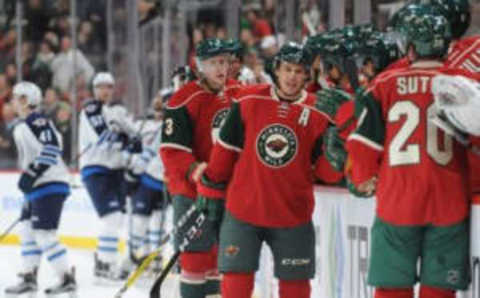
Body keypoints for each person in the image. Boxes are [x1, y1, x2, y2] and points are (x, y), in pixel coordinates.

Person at [194, 42, 342, 298]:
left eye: (299, 71)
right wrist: (209, 188)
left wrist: (339, 149)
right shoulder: (248, 99)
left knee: (295, 289)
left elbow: (327, 174)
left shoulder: (321, 111)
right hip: (244, 211)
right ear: (277, 70)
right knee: (235, 285)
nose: (292, 77)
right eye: (287, 70)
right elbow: (225, 152)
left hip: (292, 215)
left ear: (307, 74)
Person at [346, 13, 475, 298]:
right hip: (449, 201)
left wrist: (364, 179)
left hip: (398, 200)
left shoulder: (382, 84)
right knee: (439, 290)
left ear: (412, 46)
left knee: (392, 289)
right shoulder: (468, 84)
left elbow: (364, 145)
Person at [160, 38, 236, 298]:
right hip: (192, 192)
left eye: (225, 62)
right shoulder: (182, 100)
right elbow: (172, 151)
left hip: (227, 190)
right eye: (214, 62)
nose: (221, 68)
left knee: (221, 255)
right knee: (195, 255)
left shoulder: (240, 93)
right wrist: (197, 171)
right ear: (200, 66)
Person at [5, 81, 76, 297]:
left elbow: (52, 147)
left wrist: (31, 173)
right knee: (26, 229)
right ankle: (29, 276)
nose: (13, 102)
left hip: (49, 184)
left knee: (44, 234)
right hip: (38, 186)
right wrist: (30, 178)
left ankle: (66, 278)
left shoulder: (37, 119)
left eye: (16, 98)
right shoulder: (24, 124)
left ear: (25, 100)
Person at [79, 72, 140, 281]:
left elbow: (135, 137)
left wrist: (133, 139)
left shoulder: (116, 112)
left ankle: (105, 261)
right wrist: (126, 140)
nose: (104, 91)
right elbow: (104, 138)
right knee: (112, 217)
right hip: (96, 168)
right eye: (100, 87)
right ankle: (105, 264)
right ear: (94, 90)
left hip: (116, 170)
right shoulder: (91, 109)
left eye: (108, 87)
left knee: (119, 219)